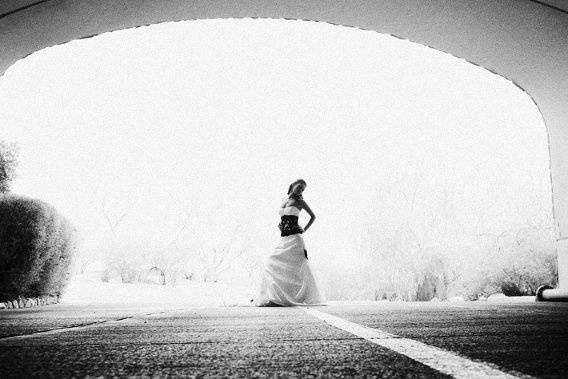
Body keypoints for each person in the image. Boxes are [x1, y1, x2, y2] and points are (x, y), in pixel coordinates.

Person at [254, 179, 325, 306]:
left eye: (303, 189)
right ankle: (276, 297)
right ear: (292, 185)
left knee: (298, 267)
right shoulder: (285, 200)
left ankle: (299, 297)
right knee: (273, 261)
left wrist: (304, 228)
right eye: (300, 186)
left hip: (295, 238)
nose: (301, 190)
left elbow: (313, 216)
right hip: (284, 238)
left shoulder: (301, 202)